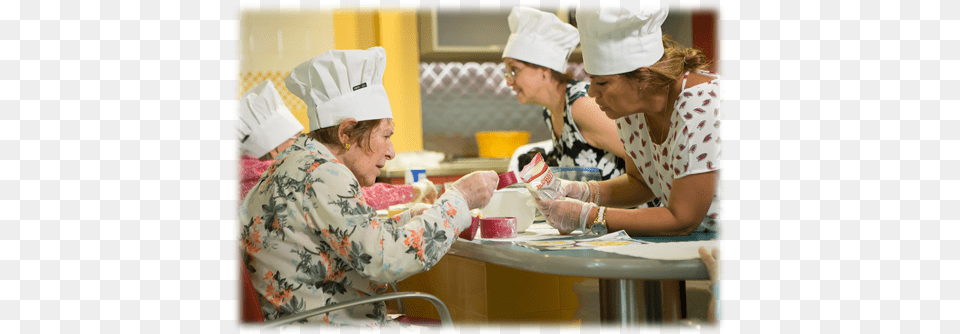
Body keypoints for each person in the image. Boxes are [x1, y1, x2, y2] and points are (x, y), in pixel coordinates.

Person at [239, 46, 499, 327]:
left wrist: (412, 217)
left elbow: (351, 237)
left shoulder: (295, 162)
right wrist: (459, 199)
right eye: (386, 136)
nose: (391, 152)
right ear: (346, 133)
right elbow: (387, 260)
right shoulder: (323, 174)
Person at [535, 3, 721, 238]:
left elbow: (683, 218)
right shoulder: (632, 112)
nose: (591, 93)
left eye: (601, 83)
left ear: (642, 77)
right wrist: (582, 192)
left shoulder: (701, 104)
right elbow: (641, 183)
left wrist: (589, 217)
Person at [237, 80, 438, 209]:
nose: (301, 144)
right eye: (295, 139)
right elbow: (354, 200)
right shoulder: (286, 177)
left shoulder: (246, 177)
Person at [501, 6, 628, 182]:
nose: (509, 80)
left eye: (514, 70)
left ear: (544, 69)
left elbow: (644, 160)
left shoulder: (581, 104)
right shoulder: (551, 111)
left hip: (628, 208)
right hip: (597, 208)